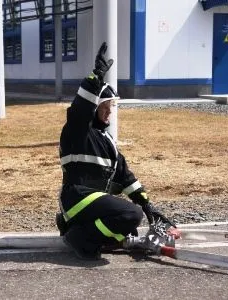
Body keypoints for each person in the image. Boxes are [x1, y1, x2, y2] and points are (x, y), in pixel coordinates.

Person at [56, 42, 175, 260]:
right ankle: (79, 237)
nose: (109, 112)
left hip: (92, 202)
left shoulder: (105, 140)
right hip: (77, 198)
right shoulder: (78, 131)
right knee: (130, 214)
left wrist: (149, 208)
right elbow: (79, 110)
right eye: (104, 107)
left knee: (129, 226)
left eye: (111, 107)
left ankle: (78, 231)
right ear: (93, 108)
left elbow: (125, 177)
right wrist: (95, 78)